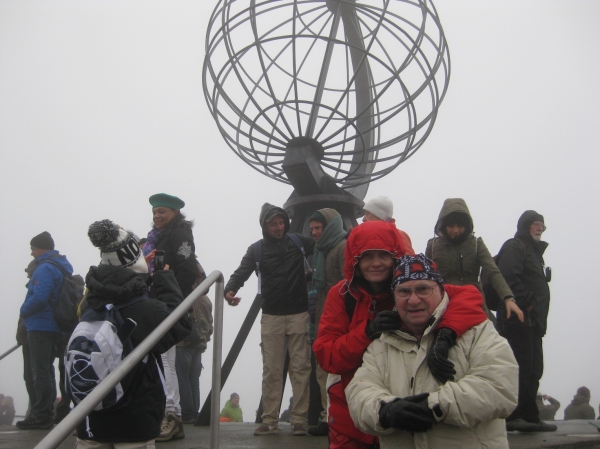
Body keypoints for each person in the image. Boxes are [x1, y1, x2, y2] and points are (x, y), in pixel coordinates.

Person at [313, 222, 488, 449]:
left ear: (395, 256)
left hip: (404, 415)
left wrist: (446, 334)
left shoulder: (411, 283)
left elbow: (467, 298)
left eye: (383, 255)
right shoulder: (342, 295)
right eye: (367, 256)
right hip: (351, 417)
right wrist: (367, 331)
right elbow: (327, 356)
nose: (376, 263)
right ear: (354, 260)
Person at [346, 254, 518, 449]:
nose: (413, 300)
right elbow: (359, 393)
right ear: (394, 295)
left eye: (423, 289)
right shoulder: (381, 344)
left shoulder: (478, 332)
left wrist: (435, 406)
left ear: (441, 290)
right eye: (403, 292)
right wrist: (385, 411)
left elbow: (499, 387)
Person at [74, 219, 191, 448]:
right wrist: (164, 278)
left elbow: (119, 289)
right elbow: (180, 324)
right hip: (133, 424)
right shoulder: (145, 310)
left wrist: (138, 274)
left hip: (90, 420)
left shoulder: (90, 304)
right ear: (134, 260)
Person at [224, 203, 315, 436]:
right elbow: (241, 272)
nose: (279, 227)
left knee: (300, 368)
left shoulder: (297, 241)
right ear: (265, 226)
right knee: (272, 370)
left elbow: (324, 244)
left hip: (298, 313)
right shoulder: (256, 250)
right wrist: (230, 289)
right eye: (274, 223)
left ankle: (298, 420)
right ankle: (270, 420)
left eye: (281, 222)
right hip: (272, 316)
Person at [143, 193, 197, 441]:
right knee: (162, 359)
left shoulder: (180, 235)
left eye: (162, 211)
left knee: (166, 360)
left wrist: (175, 301)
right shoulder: (157, 238)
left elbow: (186, 273)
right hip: (156, 302)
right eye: (155, 212)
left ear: (175, 213)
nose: (157, 216)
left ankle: (172, 414)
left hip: (168, 304)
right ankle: (167, 413)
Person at [497, 210, 555, 432]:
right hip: (517, 319)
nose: (540, 228)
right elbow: (508, 276)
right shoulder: (515, 246)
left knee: (533, 370)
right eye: (536, 224)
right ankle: (512, 416)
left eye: (542, 225)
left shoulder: (534, 252)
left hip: (534, 322)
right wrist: (527, 302)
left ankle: (530, 416)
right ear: (525, 225)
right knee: (518, 368)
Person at [425, 198, 522, 323]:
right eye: (451, 226)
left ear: (467, 226)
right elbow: (426, 278)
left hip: (475, 306)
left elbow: (492, 272)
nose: (455, 230)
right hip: (444, 307)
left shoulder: (476, 244)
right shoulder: (432, 246)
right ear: (443, 226)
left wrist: (508, 298)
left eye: (460, 226)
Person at [17, 232, 73, 430]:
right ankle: (44, 413)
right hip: (54, 325)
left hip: (41, 325)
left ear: (41, 248)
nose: (32, 253)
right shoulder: (59, 266)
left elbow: (40, 296)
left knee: (39, 371)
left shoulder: (45, 267)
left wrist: (23, 311)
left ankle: (41, 415)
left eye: (33, 248)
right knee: (46, 371)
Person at [307, 208, 347, 436]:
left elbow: (347, 283)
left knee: (339, 370)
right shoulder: (320, 250)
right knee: (323, 370)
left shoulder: (342, 247)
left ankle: (341, 419)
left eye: (318, 228)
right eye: (312, 228)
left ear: (329, 227)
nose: (313, 233)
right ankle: (328, 416)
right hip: (323, 318)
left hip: (338, 320)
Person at [176, 289, 213, 424]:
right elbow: (210, 322)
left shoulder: (186, 294)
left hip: (184, 341)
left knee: (183, 377)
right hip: (199, 341)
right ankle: (194, 412)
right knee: (194, 378)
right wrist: (204, 338)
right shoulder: (205, 299)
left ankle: (187, 413)